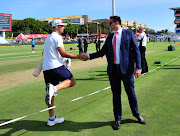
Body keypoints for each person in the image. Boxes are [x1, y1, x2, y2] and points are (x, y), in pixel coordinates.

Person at [81, 16, 146, 130]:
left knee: (131, 93)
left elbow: (136, 52)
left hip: (127, 70)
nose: (109, 25)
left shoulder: (129, 34)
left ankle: (136, 114)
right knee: (116, 96)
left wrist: (138, 67)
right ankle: (118, 119)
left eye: (110, 23)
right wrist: (89, 56)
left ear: (116, 23)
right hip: (113, 71)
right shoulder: (110, 37)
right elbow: (102, 52)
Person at [42, 19, 82, 127]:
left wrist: (63, 59)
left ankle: (51, 118)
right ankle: (54, 88)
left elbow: (45, 53)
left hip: (46, 68)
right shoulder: (57, 37)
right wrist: (78, 56)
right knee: (72, 81)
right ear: (56, 27)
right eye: (61, 26)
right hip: (55, 66)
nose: (63, 27)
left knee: (51, 95)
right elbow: (63, 53)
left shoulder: (48, 38)